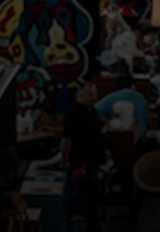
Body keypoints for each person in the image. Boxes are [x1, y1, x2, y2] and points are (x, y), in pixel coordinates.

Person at [60, 83, 105, 232]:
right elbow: (67, 138)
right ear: (81, 96)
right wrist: (64, 159)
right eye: (90, 95)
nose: (95, 98)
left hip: (93, 157)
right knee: (88, 194)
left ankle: (64, 217)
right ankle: (93, 226)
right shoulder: (72, 112)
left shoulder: (91, 110)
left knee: (81, 193)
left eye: (95, 95)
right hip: (81, 159)